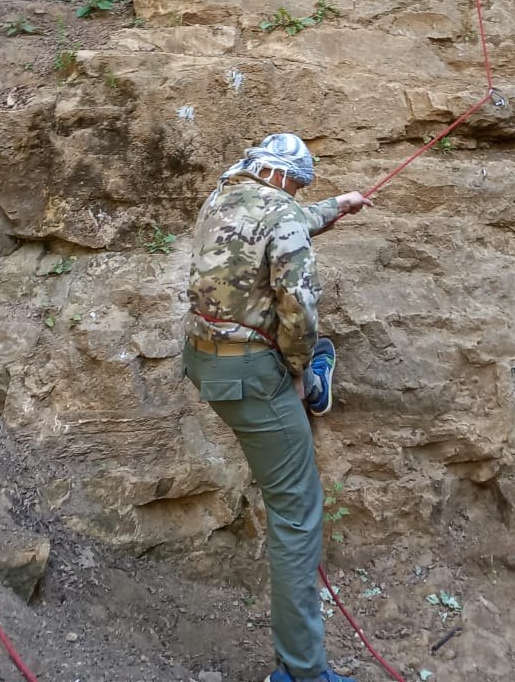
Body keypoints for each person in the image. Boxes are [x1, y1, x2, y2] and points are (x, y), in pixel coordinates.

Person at [182, 132, 372, 682]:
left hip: (205, 360)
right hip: (252, 377)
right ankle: (302, 673)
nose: (297, 193)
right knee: (297, 515)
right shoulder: (283, 215)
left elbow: (281, 221)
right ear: (288, 179)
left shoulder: (223, 194)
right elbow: (301, 311)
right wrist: (292, 374)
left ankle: (311, 384)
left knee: (294, 398)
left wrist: (338, 207)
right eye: (300, 186)